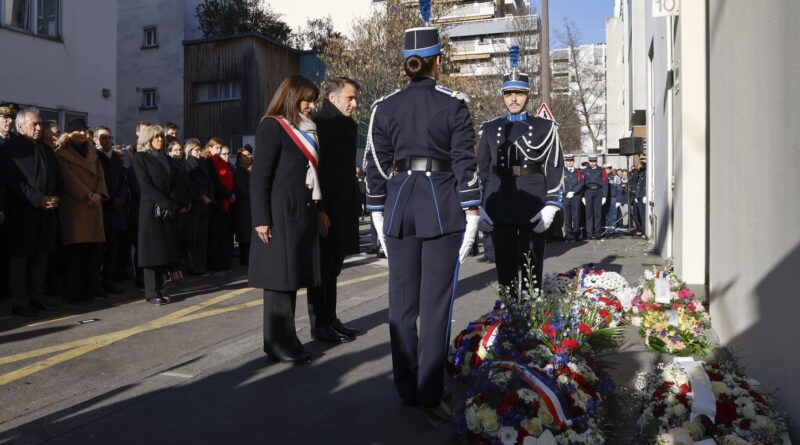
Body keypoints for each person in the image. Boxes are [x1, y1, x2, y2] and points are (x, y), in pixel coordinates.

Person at [364, 23, 481, 417]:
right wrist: (472, 211)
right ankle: (430, 390)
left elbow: (376, 164)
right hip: (442, 204)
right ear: (437, 63)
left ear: (406, 63)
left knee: (400, 305)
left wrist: (378, 212)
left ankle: (405, 387)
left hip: (399, 205)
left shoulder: (384, 106)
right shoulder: (453, 103)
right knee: (435, 305)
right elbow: (466, 162)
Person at [249, 74, 322, 364]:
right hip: (279, 214)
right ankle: (277, 343)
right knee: (278, 281)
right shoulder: (273, 127)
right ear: (291, 97)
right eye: (307, 100)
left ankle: (288, 338)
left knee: (291, 280)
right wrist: (261, 219)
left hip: (301, 211)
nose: (311, 106)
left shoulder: (306, 129)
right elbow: (260, 177)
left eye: (313, 100)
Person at [476, 49, 564, 290]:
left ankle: (530, 319)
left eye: (519, 93)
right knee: (504, 269)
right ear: (503, 96)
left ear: (528, 95)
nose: (513, 99)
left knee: (532, 269)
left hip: (532, 203)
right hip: (500, 203)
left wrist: (552, 204)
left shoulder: (545, 127)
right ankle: (508, 318)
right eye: (508, 94)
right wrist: (478, 206)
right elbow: (481, 169)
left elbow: (554, 166)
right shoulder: (491, 128)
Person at [307, 77, 365, 343]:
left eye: (354, 98)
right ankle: (320, 323)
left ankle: (330, 317)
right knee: (322, 267)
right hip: (327, 205)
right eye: (349, 98)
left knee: (334, 267)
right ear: (333, 98)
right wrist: (319, 208)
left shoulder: (346, 124)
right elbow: (315, 171)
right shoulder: (320, 123)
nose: (354, 103)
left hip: (343, 204)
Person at [1, 108, 61, 316]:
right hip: (22, 213)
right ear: (20, 126)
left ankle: (37, 296)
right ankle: (20, 300)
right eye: (34, 124)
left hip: (46, 213)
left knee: (41, 257)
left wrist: (55, 197)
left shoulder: (46, 149)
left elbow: (57, 178)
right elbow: (13, 182)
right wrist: (39, 199)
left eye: (40, 124)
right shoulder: (10, 149)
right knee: (20, 259)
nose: (38, 128)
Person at [132, 125, 188, 305]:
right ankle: (151, 291)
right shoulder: (140, 157)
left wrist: (175, 204)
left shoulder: (166, 157)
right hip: (151, 209)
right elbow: (146, 185)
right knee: (151, 251)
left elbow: (174, 183)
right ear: (147, 139)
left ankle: (162, 288)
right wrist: (166, 203)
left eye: (161, 137)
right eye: (156, 137)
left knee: (163, 251)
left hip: (167, 210)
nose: (160, 140)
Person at [56, 118, 108, 304]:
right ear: (69, 133)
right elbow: (68, 179)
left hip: (94, 205)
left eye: (85, 130)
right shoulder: (61, 153)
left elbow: (100, 175)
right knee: (75, 255)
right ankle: (74, 293)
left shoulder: (91, 151)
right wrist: (87, 194)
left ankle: (90, 291)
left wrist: (99, 194)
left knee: (92, 254)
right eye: (79, 130)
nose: (84, 134)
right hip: (76, 206)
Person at [95, 126, 128, 297]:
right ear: (96, 140)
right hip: (102, 208)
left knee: (113, 249)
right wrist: (111, 198)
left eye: (109, 138)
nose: (107, 141)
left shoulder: (116, 158)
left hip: (116, 210)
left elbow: (123, 179)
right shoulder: (95, 157)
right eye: (103, 138)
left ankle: (109, 281)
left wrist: (120, 197)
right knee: (100, 250)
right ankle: (97, 283)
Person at [184, 138, 213, 276]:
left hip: (205, 205)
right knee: (194, 238)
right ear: (190, 150)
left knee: (202, 238)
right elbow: (191, 184)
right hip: (196, 206)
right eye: (196, 149)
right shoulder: (188, 164)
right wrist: (202, 196)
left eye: (200, 149)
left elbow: (208, 181)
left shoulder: (201, 163)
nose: (199, 152)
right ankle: (194, 266)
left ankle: (201, 266)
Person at [205, 140, 234, 271]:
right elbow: (216, 182)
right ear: (209, 148)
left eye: (220, 148)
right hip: (217, 201)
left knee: (224, 235)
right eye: (216, 148)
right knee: (216, 235)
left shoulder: (222, 162)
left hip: (225, 202)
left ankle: (224, 261)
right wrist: (227, 194)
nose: (218, 150)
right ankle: (216, 263)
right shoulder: (209, 162)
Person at [232, 148, 252, 266]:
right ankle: (245, 260)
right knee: (245, 235)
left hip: (249, 206)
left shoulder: (248, 171)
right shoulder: (238, 172)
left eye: (249, 155)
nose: (248, 157)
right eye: (245, 156)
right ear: (239, 159)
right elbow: (242, 190)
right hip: (242, 207)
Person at [581, 154, 607, 240]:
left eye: (594, 161)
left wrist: (604, 196)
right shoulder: (584, 171)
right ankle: (589, 234)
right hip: (588, 192)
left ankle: (597, 233)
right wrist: (583, 196)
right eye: (591, 161)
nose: (592, 163)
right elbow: (581, 183)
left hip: (598, 192)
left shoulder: (601, 170)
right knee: (588, 214)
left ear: (596, 161)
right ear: (589, 161)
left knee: (597, 214)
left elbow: (605, 183)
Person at [562, 154, 583, 241]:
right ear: (565, 162)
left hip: (575, 196)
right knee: (567, 217)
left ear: (573, 162)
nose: (569, 162)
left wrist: (573, 192)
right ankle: (568, 235)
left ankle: (576, 234)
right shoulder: (562, 172)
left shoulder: (578, 172)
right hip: (566, 197)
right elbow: (560, 184)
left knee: (576, 216)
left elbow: (581, 183)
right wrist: (567, 192)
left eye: (571, 161)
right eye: (567, 161)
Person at [634, 155, 648, 236]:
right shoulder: (641, 171)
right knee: (640, 215)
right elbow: (638, 183)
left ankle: (645, 232)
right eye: (641, 159)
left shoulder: (647, 170)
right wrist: (636, 195)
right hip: (639, 195)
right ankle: (643, 231)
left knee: (644, 216)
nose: (642, 161)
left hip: (643, 196)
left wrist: (646, 195)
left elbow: (646, 183)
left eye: (643, 159)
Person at [604, 163, 620, 230]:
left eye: (607, 169)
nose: (606, 170)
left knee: (613, 212)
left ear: (610, 169)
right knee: (606, 211)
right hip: (605, 197)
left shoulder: (615, 178)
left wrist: (618, 199)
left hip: (613, 197)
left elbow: (619, 189)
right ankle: (607, 224)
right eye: (605, 169)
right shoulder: (603, 178)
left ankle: (612, 225)